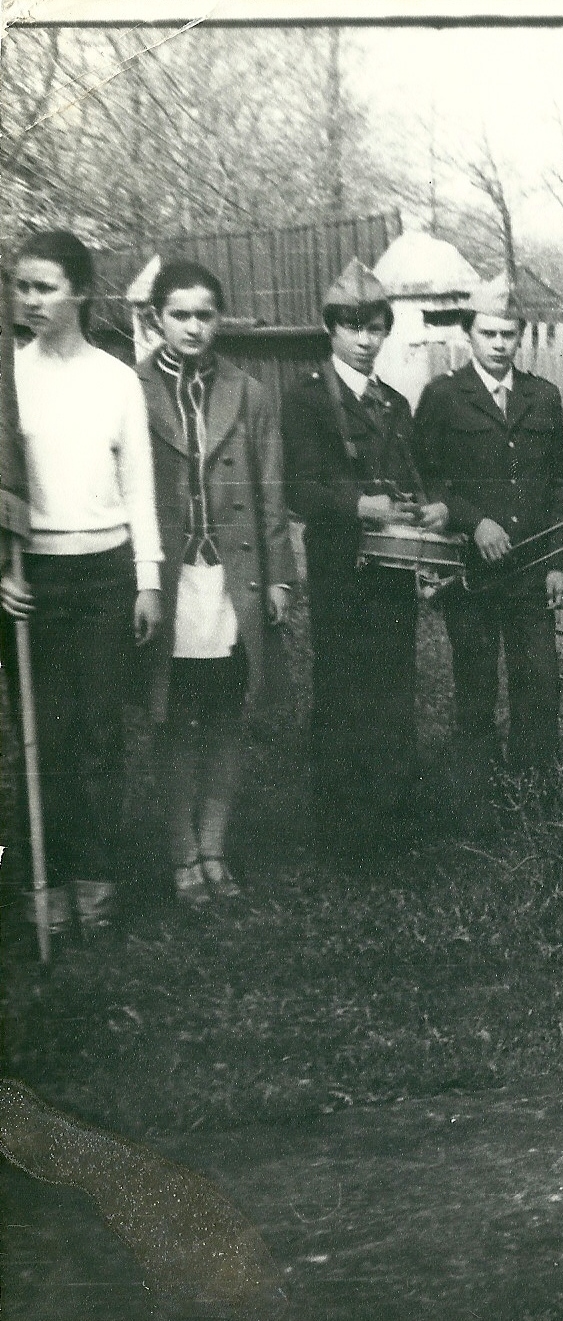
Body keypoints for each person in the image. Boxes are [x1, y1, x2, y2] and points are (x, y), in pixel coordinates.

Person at [1, 231, 163, 939]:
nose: (29, 299)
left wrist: (147, 579)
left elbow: (140, 487)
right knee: (41, 737)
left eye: (45, 287)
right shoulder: (8, 378)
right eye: (21, 286)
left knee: (97, 734)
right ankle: (46, 883)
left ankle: (96, 884)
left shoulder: (115, 379)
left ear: (82, 292)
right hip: (29, 576)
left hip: (103, 575)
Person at [137, 260, 295, 905]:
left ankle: (214, 846)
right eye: (179, 315)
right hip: (170, 578)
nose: (193, 327)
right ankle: (181, 853)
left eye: (205, 314)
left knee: (229, 712)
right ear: (157, 319)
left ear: (220, 319)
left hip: (233, 578)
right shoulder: (132, 389)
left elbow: (271, 493)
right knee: (175, 715)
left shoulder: (248, 392)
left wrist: (280, 578)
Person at [282, 257, 443, 852]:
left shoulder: (395, 403)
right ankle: (340, 828)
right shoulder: (306, 400)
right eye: (352, 327)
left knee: (395, 685)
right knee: (342, 689)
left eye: (375, 328)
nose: (364, 340)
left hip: (392, 569)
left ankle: (393, 819)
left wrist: (419, 508)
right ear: (331, 329)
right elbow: (299, 490)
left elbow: (409, 478)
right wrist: (359, 505)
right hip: (340, 569)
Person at [414, 276, 563, 821]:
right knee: (476, 687)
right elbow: (427, 479)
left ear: (520, 335)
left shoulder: (543, 396)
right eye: (488, 333)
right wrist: (473, 520)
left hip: (532, 570)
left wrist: (558, 563)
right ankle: (477, 805)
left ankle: (536, 803)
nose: (499, 344)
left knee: (540, 686)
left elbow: (559, 486)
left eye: (509, 333)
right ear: (469, 334)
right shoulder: (443, 396)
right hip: (471, 572)